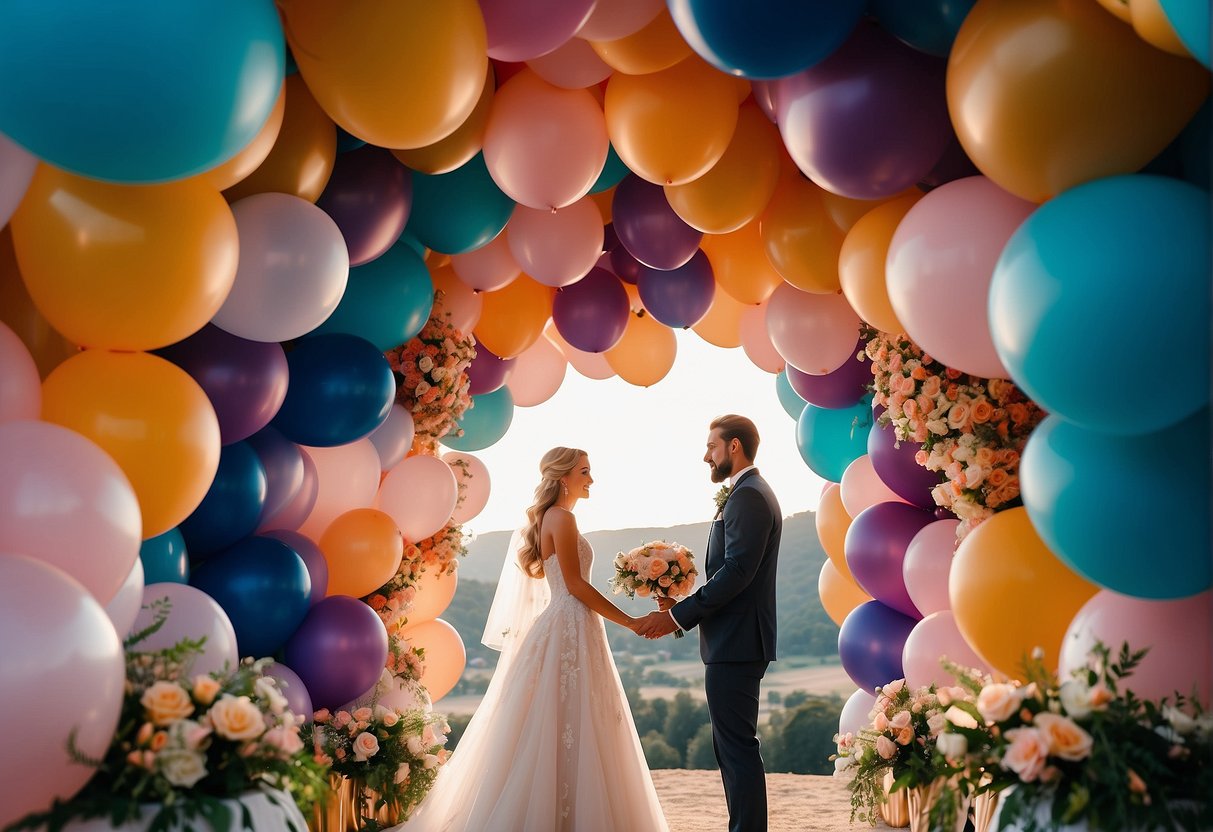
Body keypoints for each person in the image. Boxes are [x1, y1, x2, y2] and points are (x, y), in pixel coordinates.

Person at [394, 447, 669, 832]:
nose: (591, 479)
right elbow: (574, 585)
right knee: (571, 714)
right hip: (570, 623)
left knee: (561, 716)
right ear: (563, 477)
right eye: (585, 471)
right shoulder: (564, 518)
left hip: (567, 623)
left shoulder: (550, 518)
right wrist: (631, 622)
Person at [636, 415, 782, 832]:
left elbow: (737, 572)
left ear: (733, 447)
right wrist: (678, 597)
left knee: (736, 749)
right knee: (732, 749)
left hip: (737, 642)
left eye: (712, 447)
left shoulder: (749, 496)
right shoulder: (745, 492)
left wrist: (677, 617)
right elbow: (730, 571)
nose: (706, 456)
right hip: (734, 640)